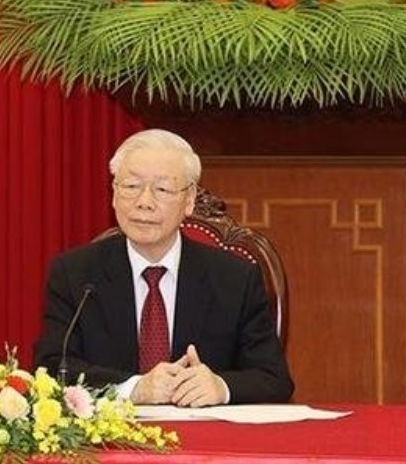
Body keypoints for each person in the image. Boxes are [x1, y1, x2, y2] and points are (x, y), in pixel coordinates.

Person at [33, 129, 293, 406]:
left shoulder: (234, 278)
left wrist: (221, 386)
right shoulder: (76, 274)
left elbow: (273, 378)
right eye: (131, 186)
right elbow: (50, 369)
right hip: (113, 443)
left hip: (207, 441)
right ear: (113, 193)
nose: (144, 202)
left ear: (189, 199)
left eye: (162, 189)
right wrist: (133, 388)